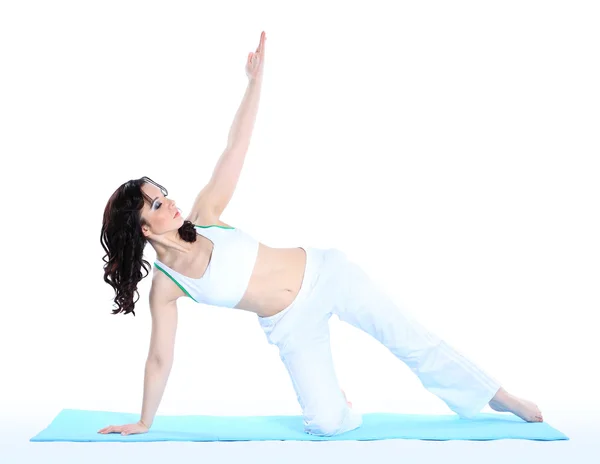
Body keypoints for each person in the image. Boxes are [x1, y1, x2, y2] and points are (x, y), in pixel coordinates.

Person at [98, 32, 543, 438]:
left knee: (410, 340)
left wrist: (254, 82)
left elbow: (236, 146)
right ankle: (341, 403)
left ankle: (499, 397)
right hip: (289, 325)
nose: (170, 203)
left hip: (326, 274)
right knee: (327, 424)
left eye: (164, 194)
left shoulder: (206, 214)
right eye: (157, 205)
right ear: (141, 228)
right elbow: (159, 359)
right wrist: (144, 421)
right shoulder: (168, 287)